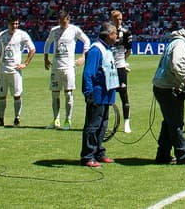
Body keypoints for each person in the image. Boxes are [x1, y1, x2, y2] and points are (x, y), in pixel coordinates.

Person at [152, 23, 185, 165]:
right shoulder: (181, 44)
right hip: (168, 88)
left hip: (163, 86)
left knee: (169, 122)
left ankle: (163, 154)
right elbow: (176, 64)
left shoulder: (176, 42)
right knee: (175, 122)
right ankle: (183, 154)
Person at [80, 22, 120, 168]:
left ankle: (98, 152)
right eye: (115, 33)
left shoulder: (107, 49)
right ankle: (87, 155)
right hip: (97, 94)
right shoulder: (96, 50)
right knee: (93, 125)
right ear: (109, 35)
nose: (117, 35)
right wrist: (88, 93)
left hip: (107, 93)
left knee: (103, 125)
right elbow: (88, 73)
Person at [45, 9, 90, 130]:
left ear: (68, 19)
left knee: (68, 94)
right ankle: (56, 120)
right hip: (56, 67)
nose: (61, 24)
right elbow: (47, 43)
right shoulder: (54, 31)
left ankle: (68, 120)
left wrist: (83, 57)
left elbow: (87, 41)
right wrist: (45, 58)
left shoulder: (74, 30)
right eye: (60, 22)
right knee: (55, 95)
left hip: (68, 67)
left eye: (63, 22)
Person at [0, 15, 36, 127]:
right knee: (2, 96)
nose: (15, 26)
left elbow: (32, 49)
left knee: (17, 95)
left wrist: (25, 63)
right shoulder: (2, 35)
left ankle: (17, 118)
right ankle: (0, 119)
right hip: (2, 70)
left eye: (17, 24)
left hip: (15, 71)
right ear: (8, 24)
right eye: (13, 24)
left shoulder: (22, 34)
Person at [109, 9, 134, 134]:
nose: (119, 21)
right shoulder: (106, 31)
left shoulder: (126, 32)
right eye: (116, 19)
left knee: (123, 93)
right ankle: (105, 121)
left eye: (120, 19)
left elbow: (129, 50)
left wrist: (123, 62)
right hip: (108, 67)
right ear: (112, 19)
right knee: (107, 94)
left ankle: (126, 123)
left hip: (120, 66)